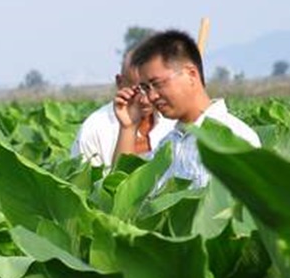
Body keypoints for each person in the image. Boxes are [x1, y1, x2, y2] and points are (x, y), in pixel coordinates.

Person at [113, 29, 261, 189]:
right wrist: (128, 128)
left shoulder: (235, 139)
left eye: (157, 84)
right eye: (145, 88)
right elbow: (126, 193)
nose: (151, 96)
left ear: (191, 75)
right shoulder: (168, 144)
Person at [71, 49, 175, 170]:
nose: (145, 100)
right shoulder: (94, 130)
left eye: (150, 88)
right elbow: (89, 185)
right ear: (120, 82)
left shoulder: (174, 123)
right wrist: (128, 128)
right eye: (137, 91)